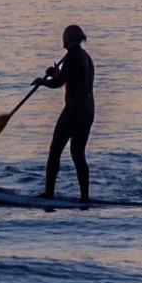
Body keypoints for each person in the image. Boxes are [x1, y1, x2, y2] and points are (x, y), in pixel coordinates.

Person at [36, 25, 95, 202]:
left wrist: (43, 81)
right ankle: (84, 196)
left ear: (68, 39)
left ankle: (49, 193)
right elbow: (69, 78)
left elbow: (58, 82)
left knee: (55, 151)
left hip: (74, 111)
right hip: (88, 110)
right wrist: (57, 73)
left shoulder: (72, 57)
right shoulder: (86, 57)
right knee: (78, 154)